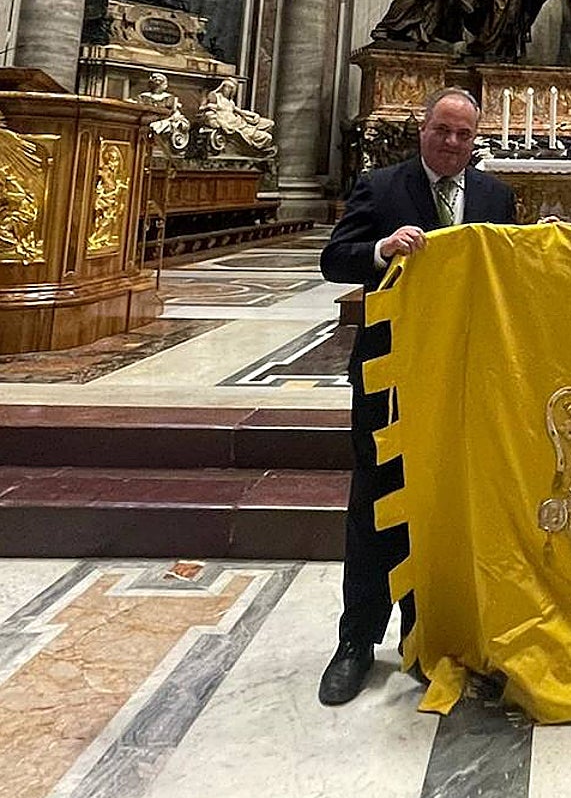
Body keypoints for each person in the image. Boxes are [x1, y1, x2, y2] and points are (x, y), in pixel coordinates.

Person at [318, 87, 517, 706]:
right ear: (422, 129)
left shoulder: (494, 196)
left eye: (463, 134)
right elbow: (334, 260)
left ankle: (432, 636)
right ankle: (356, 640)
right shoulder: (381, 187)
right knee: (376, 499)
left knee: (451, 506)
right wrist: (381, 249)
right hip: (392, 370)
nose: (452, 142)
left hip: (461, 374)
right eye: (442, 130)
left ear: (475, 139)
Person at [198, 78, 275, 155]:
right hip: (227, 123)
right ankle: (252, 146)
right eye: (226, 87)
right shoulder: (216, 96)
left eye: (230, 88)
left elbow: (239, 111)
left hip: (237, 121)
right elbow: (206, 108)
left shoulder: (230, 102)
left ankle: (255, 148)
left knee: (269, 127)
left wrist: (254, 115)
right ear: (222, 87)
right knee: (261, 135)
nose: (227, 89)